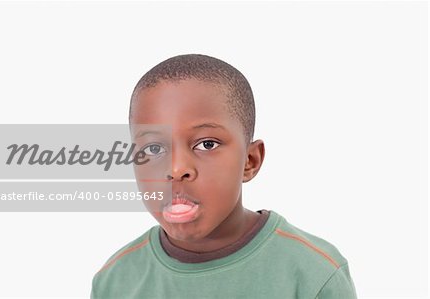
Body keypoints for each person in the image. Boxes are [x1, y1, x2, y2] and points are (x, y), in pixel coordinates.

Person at [91, 54, 357, 298]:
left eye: (207, 144)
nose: (175, 169)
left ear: (250, 161)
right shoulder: (115, 281)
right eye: (154, 148)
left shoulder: (314, 273)